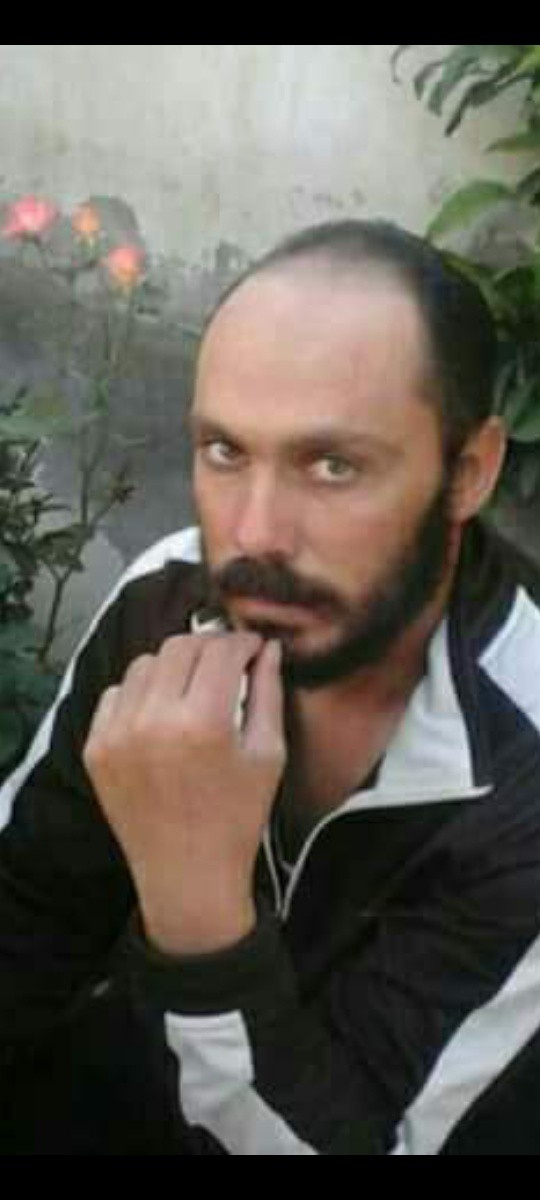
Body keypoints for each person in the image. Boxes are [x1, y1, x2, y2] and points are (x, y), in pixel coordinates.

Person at [2, 220, 540, 1156]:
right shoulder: (167, 601)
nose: (254, 536)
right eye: (225, 451)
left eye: (333, 466)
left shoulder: (522, 780)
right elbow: (27, 913)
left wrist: (199, 911)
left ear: (468, 473)